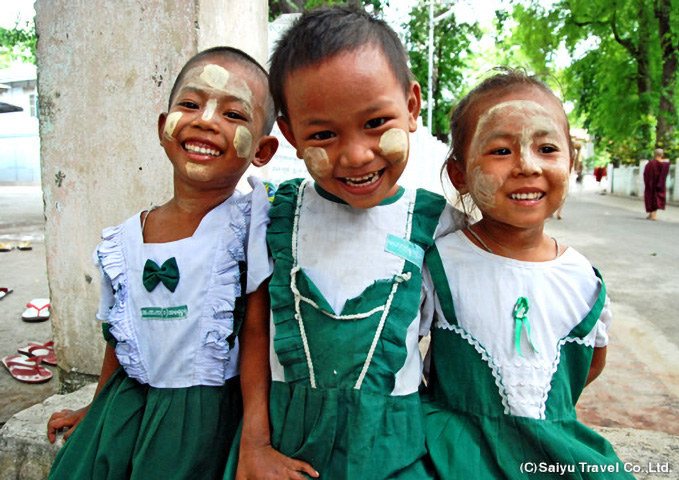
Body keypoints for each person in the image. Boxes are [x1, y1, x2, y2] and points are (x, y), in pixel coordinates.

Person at [230, 6, 465, 479]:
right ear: (291, 134)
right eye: (323, 134)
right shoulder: (273, 216)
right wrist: (253, 444)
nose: (356, 155)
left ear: (413, 106)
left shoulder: (439, 226)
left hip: (393, 455)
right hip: (283, 453)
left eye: (376, 122)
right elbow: (253, 335)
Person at [46, 46, 280, 480]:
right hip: (127, 412)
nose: (206, 121)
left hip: (206, 422)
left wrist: (256, 439)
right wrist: (96, 409)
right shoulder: (121, 242)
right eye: (190, 105)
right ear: (163, 127)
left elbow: (255, 334)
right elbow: (120, 337)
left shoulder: (251, 227)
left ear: (262, 150)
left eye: (234, 115)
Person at [420, 69, 633, 478]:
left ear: (572, 162)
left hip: (556, 455)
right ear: (459, 175)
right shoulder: (440, 263)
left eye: (547, 148)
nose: (526, 166)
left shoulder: (583, 279)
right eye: (500, 151)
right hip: (456, 454)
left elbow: (589, 363)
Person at [644, 148, 671, 220]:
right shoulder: (665, 165)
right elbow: (664, 176)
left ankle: (653, 214)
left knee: (651, 197)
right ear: (662, 155)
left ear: (654, 154)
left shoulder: (650, 164)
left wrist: (647, 183)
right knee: (657, 198)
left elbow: (645, 174)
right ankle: (652, 214)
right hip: (660, 184)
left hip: (651, 184)